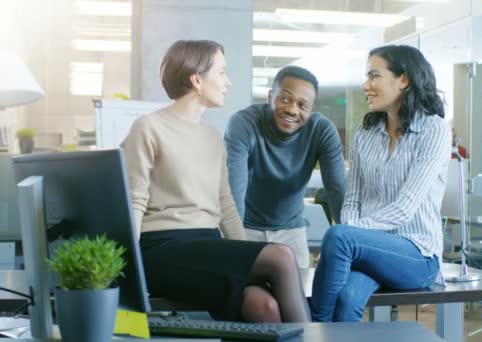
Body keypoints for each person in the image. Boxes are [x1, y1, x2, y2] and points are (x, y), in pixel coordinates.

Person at [121, 40, 310, 323]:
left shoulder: (213, 138)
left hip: (208, 246)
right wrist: (128, 268)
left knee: (264, 306)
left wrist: (250, 259)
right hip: (161, 247)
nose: (228, 82)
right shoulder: (148, 127)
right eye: (221, 73)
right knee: (281, 257)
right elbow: (134, 200)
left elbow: (225, 205)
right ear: (197, 79)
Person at [310, 45, 451, 322]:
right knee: (346, 297)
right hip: (370, 250)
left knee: (339, 237)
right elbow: (353, 199)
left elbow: (404, 209)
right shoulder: (366, 132)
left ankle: (314, 329)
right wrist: (352, 233)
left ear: (404, 80)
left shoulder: (434, 129)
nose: (366, 85)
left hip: (417, 255)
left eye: (374, 76)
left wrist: (349, 232)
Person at [224, 66, 346, 268]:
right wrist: (235, 248)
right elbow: (234, 192)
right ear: (270, 96)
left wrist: (345, 247)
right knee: (247, 295)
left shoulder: (322, 130)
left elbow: (337, 191)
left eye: (302, 105)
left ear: (311, 110)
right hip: (244, 227)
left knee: (297, 295)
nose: (292, 109)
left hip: (291, 231)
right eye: (285, 99)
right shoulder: (243, 124)